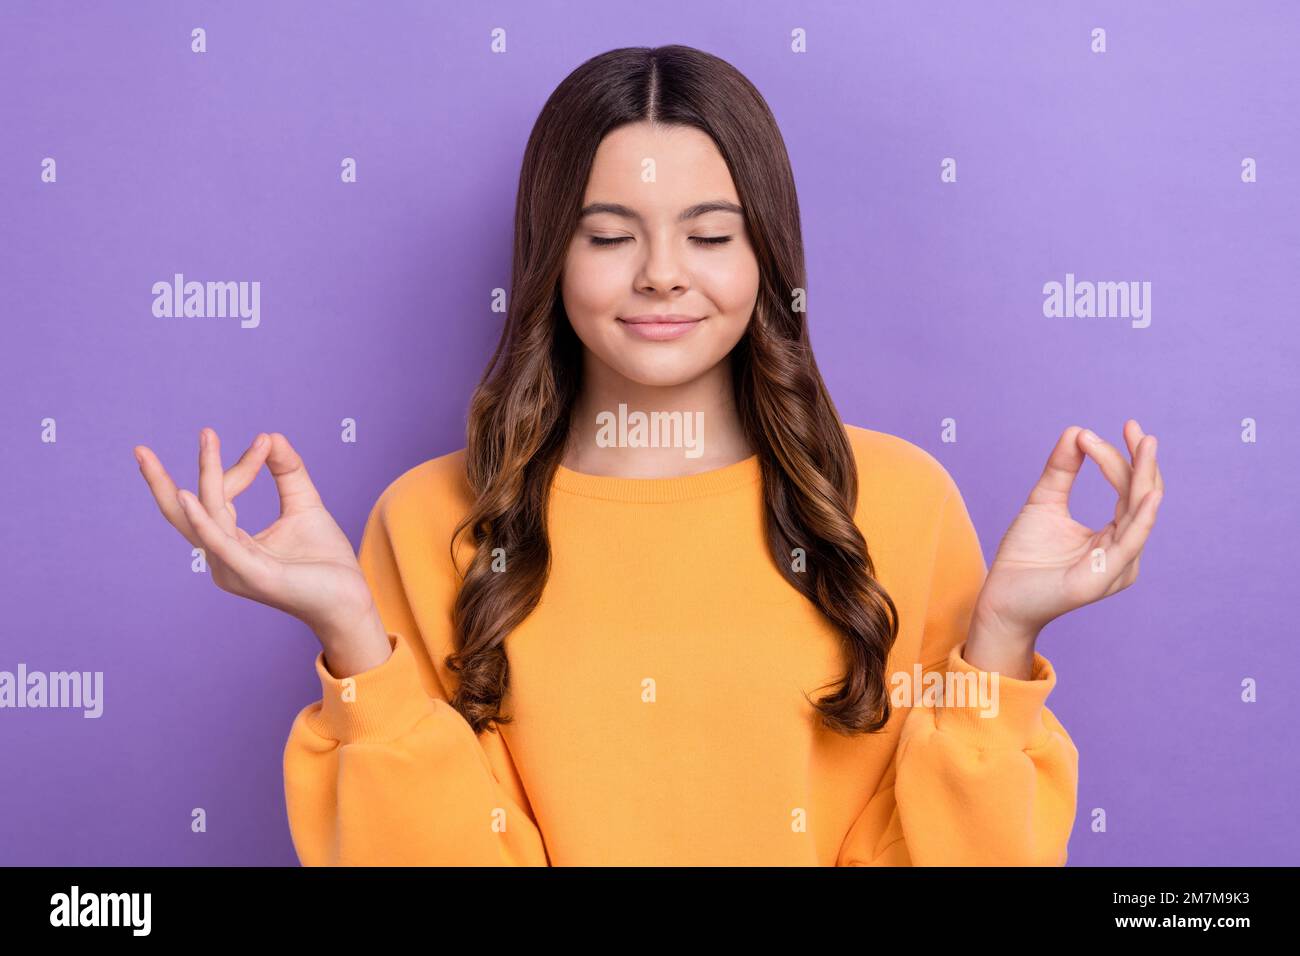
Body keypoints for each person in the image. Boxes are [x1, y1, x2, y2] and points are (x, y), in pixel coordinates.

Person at [134, 45, 1164, 866]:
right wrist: (352, 637)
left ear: (767, 256)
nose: (662, 275)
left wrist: (999, 640)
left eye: (710, 235)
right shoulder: (429, 515)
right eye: (609, 233)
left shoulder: (896, 499)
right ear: (550, 255)